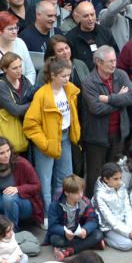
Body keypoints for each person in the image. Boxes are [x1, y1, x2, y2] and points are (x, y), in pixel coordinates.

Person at [24, 58, 80, 214]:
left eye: (69, 75)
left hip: (65, 138)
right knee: (45, 181)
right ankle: (47, 215)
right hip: (47, 142)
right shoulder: (42, 95)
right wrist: (44, 144)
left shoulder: (69, 90)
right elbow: (30, 124)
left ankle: (64, 212)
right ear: (53, 75)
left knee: (66, 178)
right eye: (63, 76)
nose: (67, 79)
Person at [80, 46, 132, 197]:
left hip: (118, 134)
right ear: (98, 62)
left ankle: (113, 201)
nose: (114, 64)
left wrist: (109, 99)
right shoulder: (89, 82)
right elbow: (96, 109)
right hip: (97, 137)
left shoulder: (121, 75)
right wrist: (118, 100)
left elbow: (130, 98)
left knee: (115, 173)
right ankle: (92, 206)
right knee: (95, 175)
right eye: (110, 61)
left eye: (115, 60)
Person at [0, 136, 42, 229]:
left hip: (25, 202)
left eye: (8, 150)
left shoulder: (21, 163)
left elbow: (36, 185)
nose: (6, 155)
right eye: (1, 153)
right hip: (2, 198)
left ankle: (12, 231)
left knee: (8, 197)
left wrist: (18, 189)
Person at [45, 174, 105, 261]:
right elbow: (52, 226)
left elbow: (93, 220)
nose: (80, 195)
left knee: (98, 234)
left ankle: (69, 251)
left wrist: (85, 230)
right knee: (57, 240)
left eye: (81, 191)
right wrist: (64, 231)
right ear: (66, 193)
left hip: (79, 232)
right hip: (64, 234)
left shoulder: (85, 202)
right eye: (76, 193)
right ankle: (90, 244)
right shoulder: (55, 205)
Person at [93, 162, 132, 251]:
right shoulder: (100, 195)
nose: (119, 181)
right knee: (127, 245)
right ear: (106, 179)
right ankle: (105, 239)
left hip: (123, 222)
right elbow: (110, 219)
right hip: (108, 227)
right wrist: (128, 233)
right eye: (115, 179)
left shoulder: (122, 187)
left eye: (120, 178)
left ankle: (128, 234)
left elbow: (128, 210)